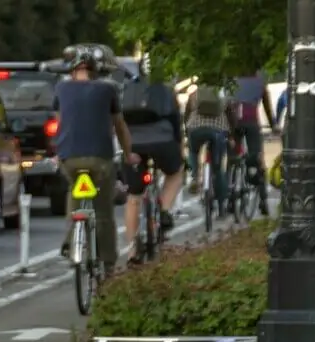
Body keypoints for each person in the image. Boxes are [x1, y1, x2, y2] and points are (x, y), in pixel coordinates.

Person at [53, 46, 139, 273]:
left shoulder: (61, 88)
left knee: (75, 191)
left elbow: (60, 122)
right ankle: (108, 264)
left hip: (68, 158)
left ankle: (71, 244)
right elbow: (119, 126)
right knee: (103, 212)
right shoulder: (108, 89)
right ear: (96, 71)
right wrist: (129, 154)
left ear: (72, 72)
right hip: (100, 158)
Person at [120, 77, 186, 265]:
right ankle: (164, 211)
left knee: (133, 196)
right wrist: (179, 146)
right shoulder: (166, 89)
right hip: (162, 141)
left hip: (132, 145)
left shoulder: (127, 88)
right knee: (175, 173)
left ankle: (132, 250)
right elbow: (175, 122)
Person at [184, 84, 239, 216]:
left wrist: (187, 132)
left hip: (195, 128)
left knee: (193, 151)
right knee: (218, 168)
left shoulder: (195, 94)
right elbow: (231, 116)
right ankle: (221, 208)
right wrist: (231, 136)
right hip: (217, 131)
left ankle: (195, 176)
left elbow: (186, 114)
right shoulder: (223, 93)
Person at [230, 72, 279, 216]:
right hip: (251, 120)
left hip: (234, 121)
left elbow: (227, 102)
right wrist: (273, 125)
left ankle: (230, 197)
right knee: (258, 158)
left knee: (233, 155)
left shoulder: (234, 78)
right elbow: (267, 106)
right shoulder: (260, 81)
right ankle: (263, 201)